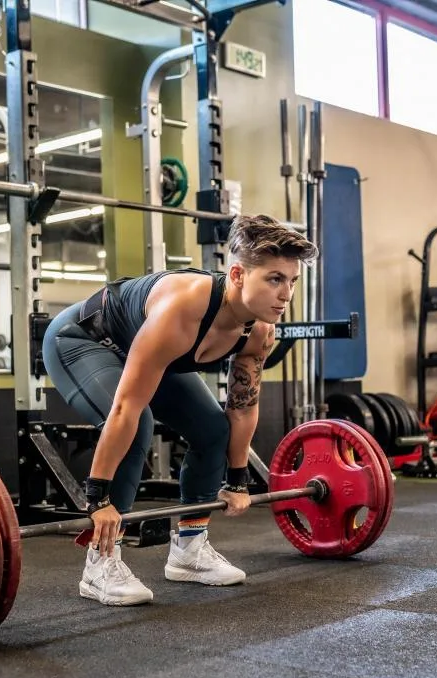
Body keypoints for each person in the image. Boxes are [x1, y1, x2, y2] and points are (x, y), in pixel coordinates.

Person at [41, 214, 318, 605]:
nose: (286, 293)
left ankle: (189, 548)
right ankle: (100, 561)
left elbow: (241, 407)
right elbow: (124, 409)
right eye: (274, 279)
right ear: (238, 275)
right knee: (138, 425)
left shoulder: (259, 331)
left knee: (211, 428)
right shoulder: (183, 308)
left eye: (292, 281)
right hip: (83, 340)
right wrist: (98, 499)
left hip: (145, 352)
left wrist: (236, 479)